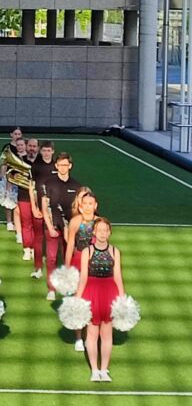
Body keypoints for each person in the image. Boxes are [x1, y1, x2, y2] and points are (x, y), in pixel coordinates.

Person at [75, 217, 125, 382]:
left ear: (109, 233)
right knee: (91, 333)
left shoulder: (115, 251)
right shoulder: (87, 252)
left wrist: (122, 298)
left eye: (106, 230)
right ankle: (94, 370)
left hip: (109, 293)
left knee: (107, 334)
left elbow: (118, 276)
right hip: (92, 293)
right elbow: (83, 278)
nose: (103, 233)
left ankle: (104, 370)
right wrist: (78, 299)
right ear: (94, 233)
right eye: (100, 230)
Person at [42, 152, 83, 301]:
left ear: (70, 166)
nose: (62, 168)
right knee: (51, 258)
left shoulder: (77, 186)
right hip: (52, 227)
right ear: (56, 166)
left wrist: (70, 229)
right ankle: (51, 289)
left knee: (69, 258)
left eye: (65, 165)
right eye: (60, 165)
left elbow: (78, 210)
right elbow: (44, 207)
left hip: (69, 229)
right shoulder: (48, 183)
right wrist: (50, 227)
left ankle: (68, 287)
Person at [65, 188, 99, 354]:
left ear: (95, 205)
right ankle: (79, 337)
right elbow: (70, 245)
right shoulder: (75, 222)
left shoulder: (100, 222)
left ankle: (90, 335)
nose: (87, 206)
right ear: (80, 206)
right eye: (84, 203)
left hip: (95, 263)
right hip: (78, 261)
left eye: (90, 204)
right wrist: (67, 268)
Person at [29, 139, 56, 280]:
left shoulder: (57, 166)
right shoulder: (36, 166)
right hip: (39, 208)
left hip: (54, 210)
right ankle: (38, 268)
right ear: (40, 151)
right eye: (44, 150)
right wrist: (34, 207)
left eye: (48, 151)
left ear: (53, 151)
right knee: (39, 238)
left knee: (55, 238)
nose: (46, 153)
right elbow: (31, 187)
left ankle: (56, 269)